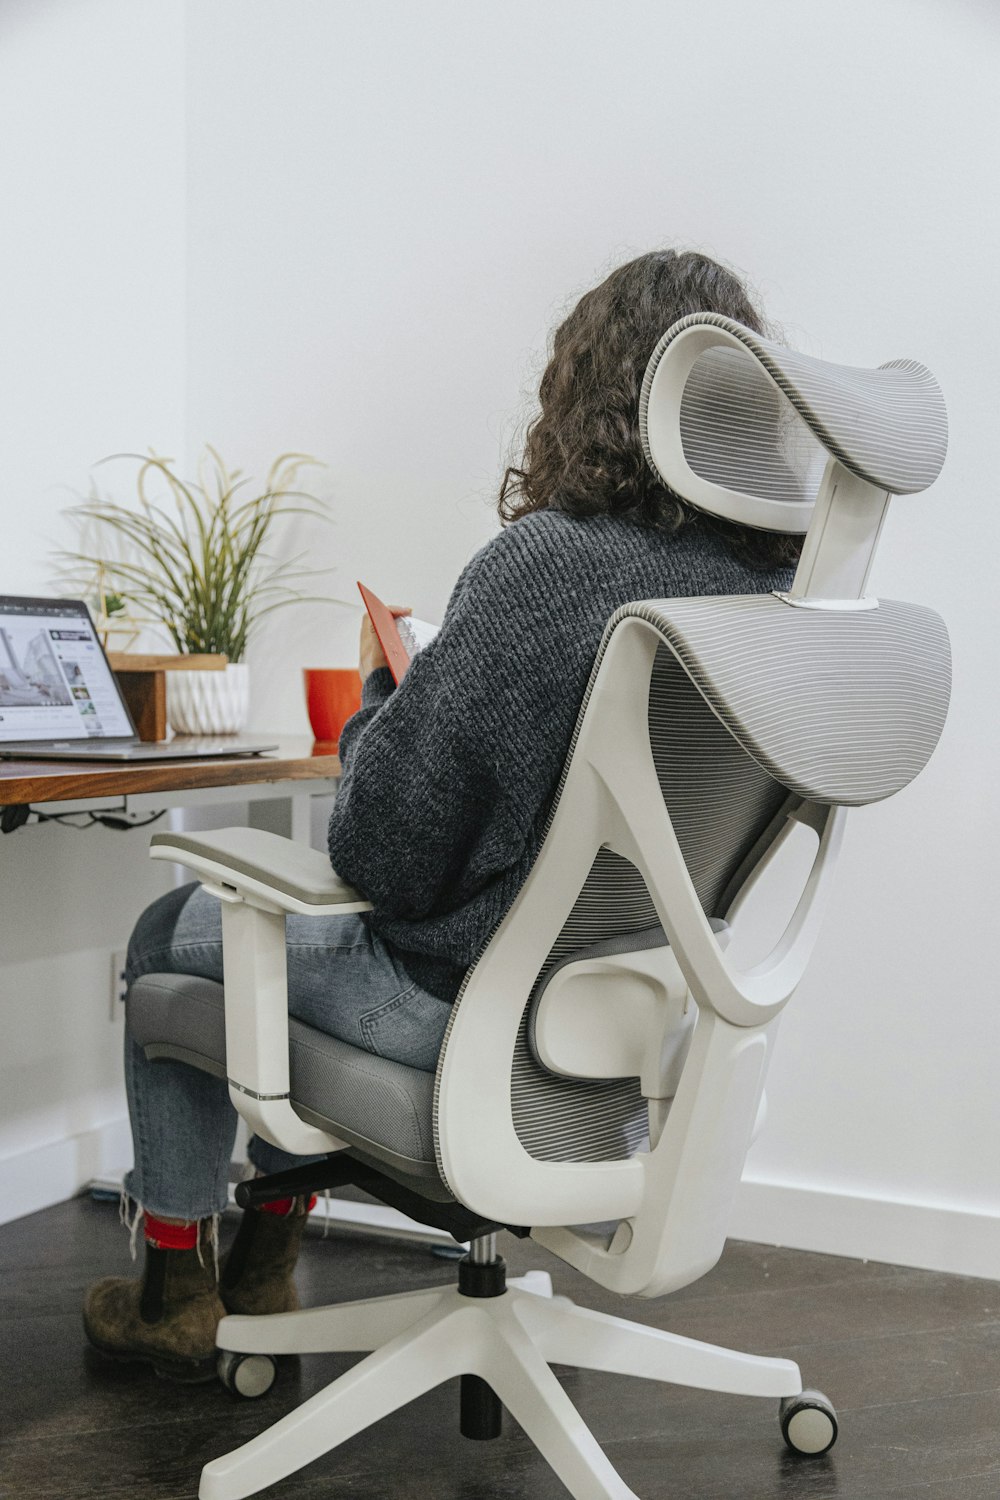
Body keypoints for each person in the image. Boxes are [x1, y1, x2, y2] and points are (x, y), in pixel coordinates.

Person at [83, 248, 801, 1379]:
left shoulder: (547, 566)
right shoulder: (775, 596)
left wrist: (387, 698)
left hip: (454, 1013)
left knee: (167, 935)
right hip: (627, 1028)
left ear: (585, 393)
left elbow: (386, 855)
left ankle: (177, 1286)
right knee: (265, 952)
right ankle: (264, 1260)